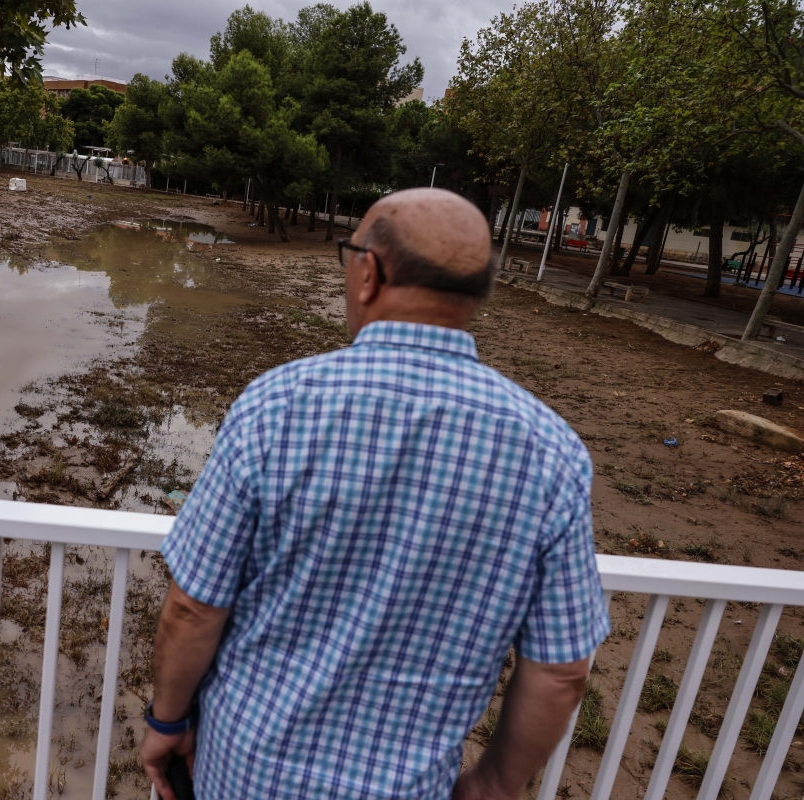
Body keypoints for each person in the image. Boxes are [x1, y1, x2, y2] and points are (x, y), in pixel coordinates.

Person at [141, 188, 610, 800]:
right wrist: (493, 784)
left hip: (244, 772)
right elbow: (562, 671)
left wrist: (166, 720)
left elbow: (194, 608)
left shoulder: (277, 406)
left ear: (369, 273)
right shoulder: (553, 453)